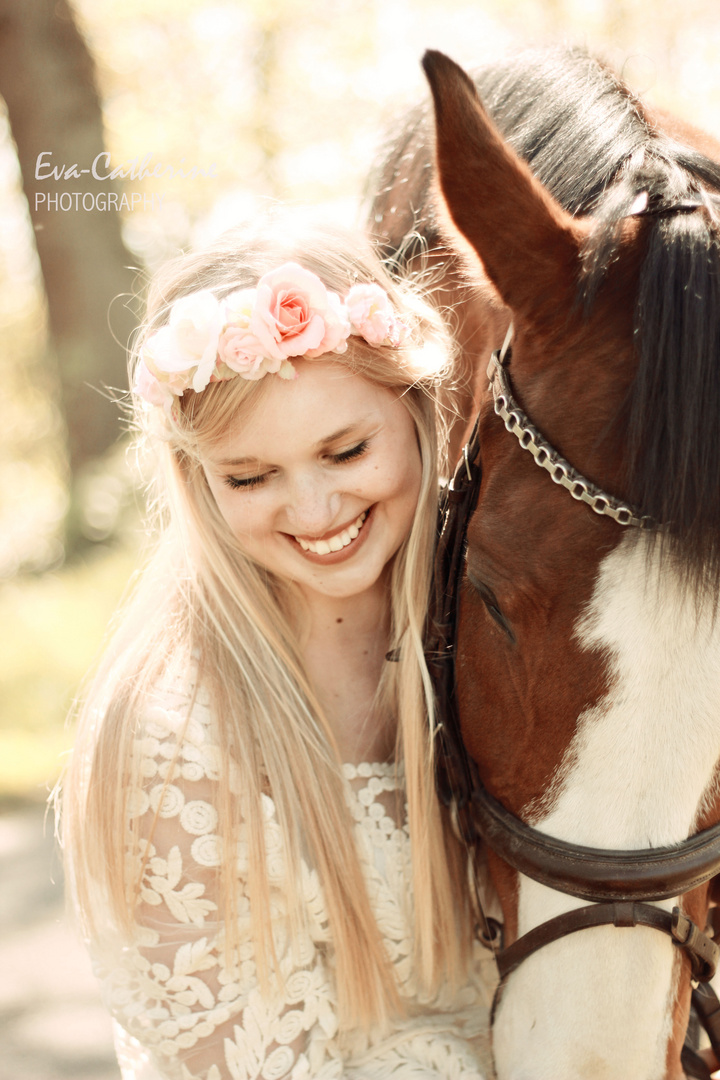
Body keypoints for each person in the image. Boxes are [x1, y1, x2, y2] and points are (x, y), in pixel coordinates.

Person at [61, 218, 495, 1079]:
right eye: (251, 476)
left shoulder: (503, 620)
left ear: (414, 410)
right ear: (197, 479)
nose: (314, 508)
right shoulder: (166, 741)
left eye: (345, 451)